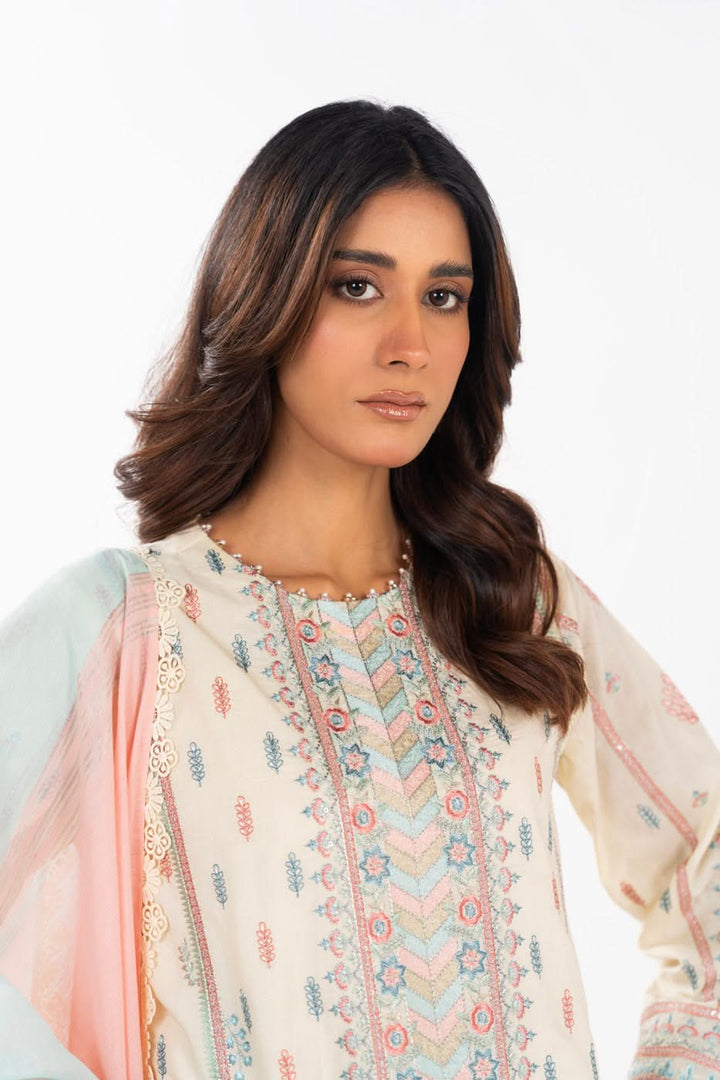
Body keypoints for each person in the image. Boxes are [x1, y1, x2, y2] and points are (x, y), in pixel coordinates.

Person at [1, 99, 718, 1080]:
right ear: (266, 295)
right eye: (357, 287)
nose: (409, 344)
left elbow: (702, 844)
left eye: (444, 296)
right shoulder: (132, 627)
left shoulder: (511, 595)